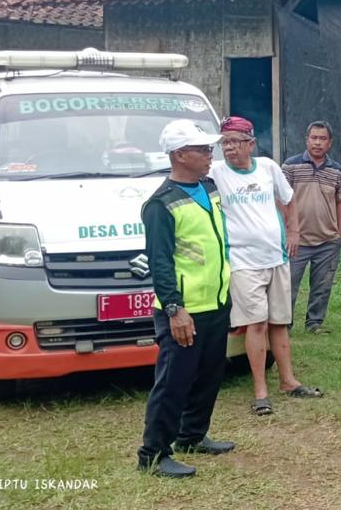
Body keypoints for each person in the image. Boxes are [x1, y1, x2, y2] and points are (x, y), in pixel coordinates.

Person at [137, 119, 235, 478]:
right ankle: (153, 453)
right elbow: (160, 264)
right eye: (203, 149)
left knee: (209, 375)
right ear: (179, 154)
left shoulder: (209, 188)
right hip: (184, 311)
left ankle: (192, 435)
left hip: (216, 303)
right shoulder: (160, 204)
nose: (211, 155)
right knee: (173, 382)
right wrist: (176, 310)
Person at [211, 116, 323, 417]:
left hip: (276, 256)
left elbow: (288, 200)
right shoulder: (216, 173)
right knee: (256, 322)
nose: (230, 149)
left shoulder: (268, 168)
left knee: (279, 322)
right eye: (225, 143)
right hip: (243, 260)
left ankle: (288, 381)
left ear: (251, 144)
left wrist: (295, 231)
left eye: (235, 142)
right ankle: (260, 390)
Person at [282, 121, 341, 334]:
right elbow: (281, 199)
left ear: (330, 143)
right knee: (288, 286)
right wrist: (286, 231)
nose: (318, 143)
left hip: (327, 241)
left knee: (322, 287)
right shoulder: (290, 166)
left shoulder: (337, 171)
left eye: (322, 139)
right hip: (297, 240)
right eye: (314, 138)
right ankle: (284, 324)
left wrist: (338, 234)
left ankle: (315, 323)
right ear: (307, 140)